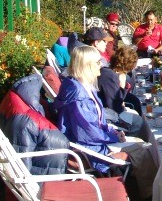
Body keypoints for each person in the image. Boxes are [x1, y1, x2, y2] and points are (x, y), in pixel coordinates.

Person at [54, 45, 127, 174]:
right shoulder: (78, 95)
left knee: (143, 148)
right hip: (89, 152)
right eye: (98, 62)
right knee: (142, 152)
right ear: (87, 65)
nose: (101, 65)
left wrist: (113, 132)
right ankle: (142, 193)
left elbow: (96, 122)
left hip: (95, 145)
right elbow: (87, 133)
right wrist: (113, 137)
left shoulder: (84, 86)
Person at [98, 44, 142, 116]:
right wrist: (122, 86)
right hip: (109, 113)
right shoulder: (110, 76)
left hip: (110, 109)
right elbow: (115, 105)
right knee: (135, 109)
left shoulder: (110, 72)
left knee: (134, 100)